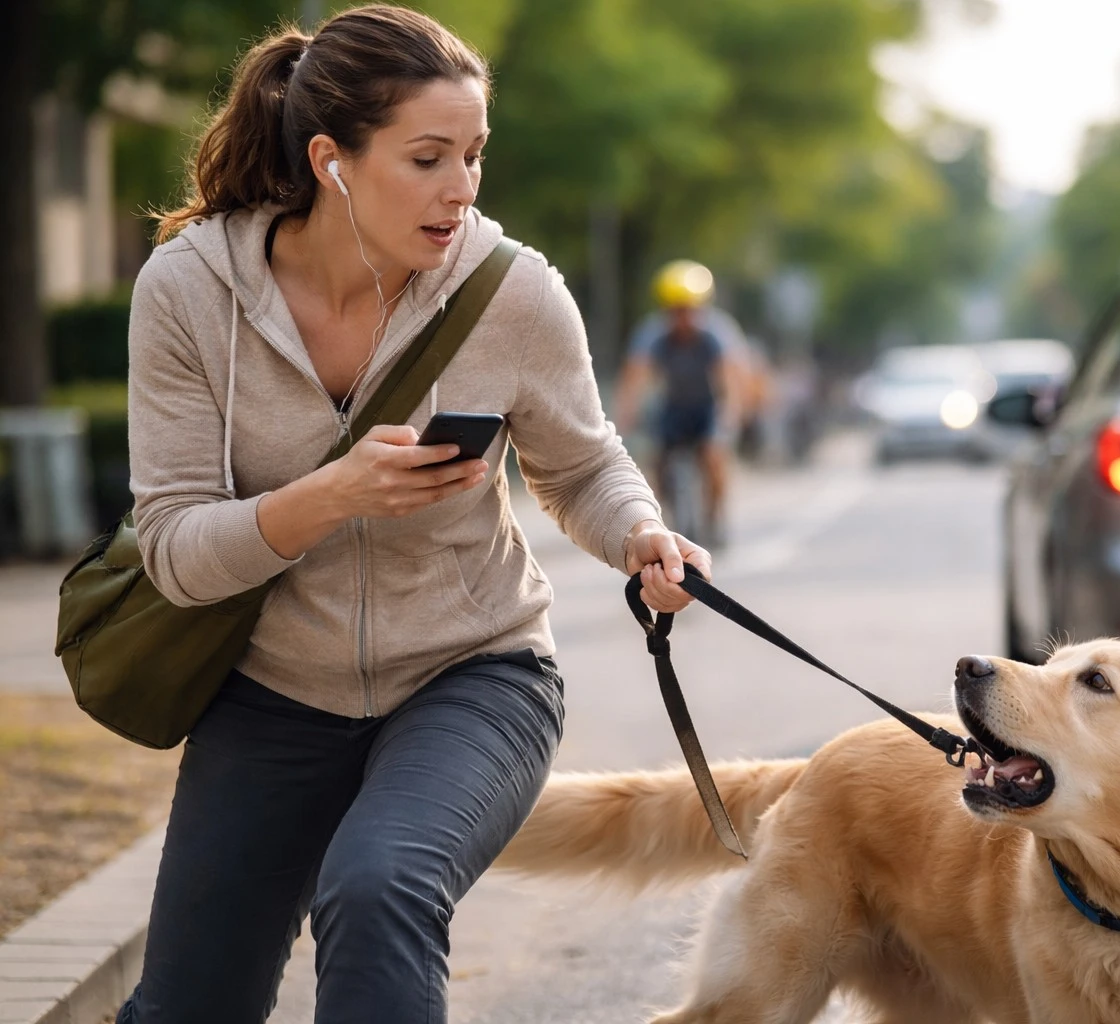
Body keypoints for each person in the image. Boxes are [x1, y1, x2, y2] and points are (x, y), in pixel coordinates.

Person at [114, 7, 707, 1023]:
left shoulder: (510, 292)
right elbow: (171, 552)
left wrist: (640, 532)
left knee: (381, 885)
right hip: (268, 694)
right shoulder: (190, 290)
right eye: (428, 157)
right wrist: (329, 497)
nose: (462, 188)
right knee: (186, 1006)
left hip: (474, 676)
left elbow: (584, 464)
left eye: (474, 155)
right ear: (332, 162)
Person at [615, 260, 737, 544]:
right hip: (674, 407)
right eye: (675, 310)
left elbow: (730, 380)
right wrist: (627, 415)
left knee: (713, 455)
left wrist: (729, 415)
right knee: (657, 458)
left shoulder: (716, 334)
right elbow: (635, 377)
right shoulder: (652, 334)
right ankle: (666, 516)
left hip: (707, 406)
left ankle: (714, 516)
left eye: (689, 309)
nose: (683, 318)